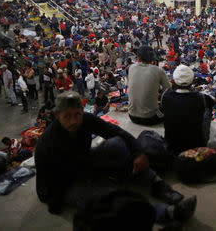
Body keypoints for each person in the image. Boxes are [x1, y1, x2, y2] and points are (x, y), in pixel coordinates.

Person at [35, 91, 190, 215]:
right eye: (67, 116)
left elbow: (115, 131)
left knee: (117, 143)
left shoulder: (85, 120)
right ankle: (164, 213)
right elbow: (81, 170)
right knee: (106, 197)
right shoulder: (51, 142)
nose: (73, 121)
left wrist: (138, 153)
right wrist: (117, 173)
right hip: (60, 184)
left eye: (77, 114)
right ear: (57, 116)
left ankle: (157, 184)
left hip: (83, 163)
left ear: (83, 111)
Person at [161, 65, 214, 155]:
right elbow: (214, 101)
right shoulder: (203, 99)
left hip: (171, 145)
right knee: (208, 109)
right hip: (195, 145)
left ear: (173, 81)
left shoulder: (165, 96)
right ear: (193, 81)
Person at [128, 46, 171, 126]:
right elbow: (168, 90)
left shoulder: (131, 67)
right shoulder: (158, 70)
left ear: (138, 57)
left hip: (131, 116)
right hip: (150, 118)